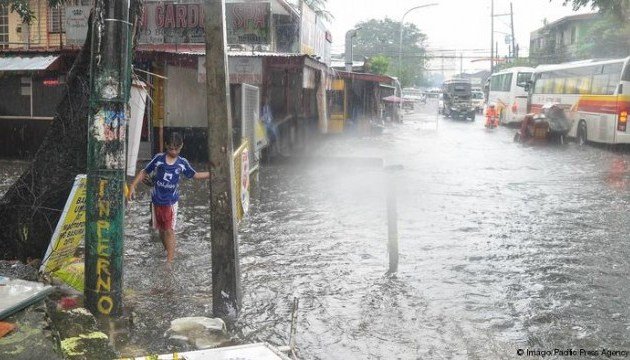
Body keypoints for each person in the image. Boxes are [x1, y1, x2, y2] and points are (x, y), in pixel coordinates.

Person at [128, 133, 209, 263]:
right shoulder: (159, 159)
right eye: (171, 148)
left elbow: (195, 175)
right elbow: (144, 172)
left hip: (170, 202)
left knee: (169, 230)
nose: (173, 151)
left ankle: (169, 263)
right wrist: (133, 185)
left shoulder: (182, 163)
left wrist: (212, 174)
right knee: (160, 229)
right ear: (166, 146)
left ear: (181, 147)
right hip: (156, 200)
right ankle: (169, 251)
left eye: (176, 149)